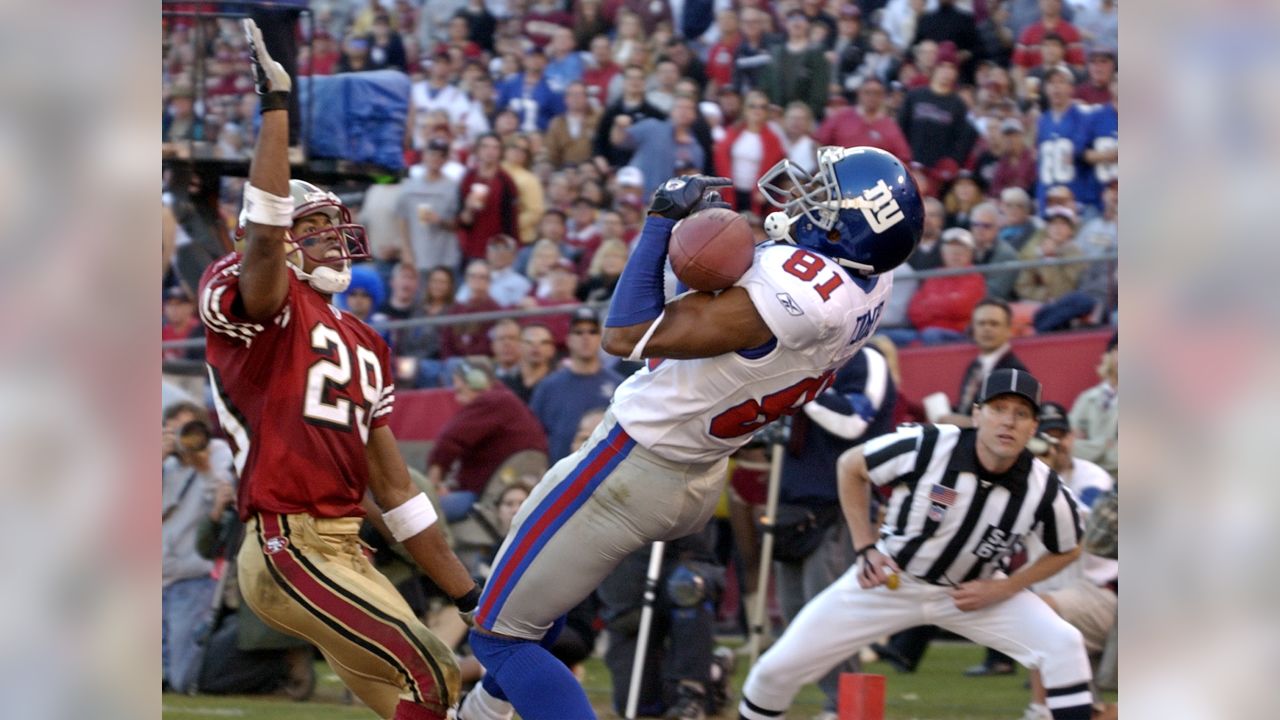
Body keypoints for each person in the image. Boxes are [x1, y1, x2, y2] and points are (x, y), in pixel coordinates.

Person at [460, 147, 924, 720]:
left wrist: (660, 223)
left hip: (632, 465)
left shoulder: (798, 297)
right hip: (695, 472)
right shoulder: (869, 285)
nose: (806, 200)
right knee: (536, 603)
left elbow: (626, 332)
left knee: (499, 637)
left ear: (849, 229)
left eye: (824, 199)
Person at [199, 25, 479, 719]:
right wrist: (276, 109)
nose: (333, 237)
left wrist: (470, 596)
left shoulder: (366, 342)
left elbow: (395, 488)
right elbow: (262, 237)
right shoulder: (257, 292)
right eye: (315, 226)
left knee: (433, 704)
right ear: (284, 240)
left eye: (335, 224)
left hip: (348, 546)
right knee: (434, 672)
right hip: (285, 541)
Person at [739, 369, 1093, 720]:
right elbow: (851, 465)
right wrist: (865, 548)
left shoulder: (1043, 487)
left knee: (1064, 644)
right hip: (891, 581)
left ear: (1033, 428)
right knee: (773, 671)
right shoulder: (929, 445)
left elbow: (1068, 547)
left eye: (1021, 414)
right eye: (998, 408)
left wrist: (1006, 588)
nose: (1009, 422)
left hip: (969, 594)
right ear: (976, 414)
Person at [772, 344, 898, 716]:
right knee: (795, 612)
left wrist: (800, 387)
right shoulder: (797, 358)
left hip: (841, 505)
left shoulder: (866, 359)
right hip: (791, 504)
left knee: (830, 612)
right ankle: (819, 701)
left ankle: (847, 707)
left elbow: (854, 420)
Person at [1019, 402, 1117, 720]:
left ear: (1073, 437)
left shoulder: (1093, 477)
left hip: (1100, 594)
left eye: (1061, 435)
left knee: (1038, 611)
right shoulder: (1020, 481)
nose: (1056, 444)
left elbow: (1086, 532)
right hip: (1057, 593)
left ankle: (1040, 710)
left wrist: (1046, 481)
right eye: (1047, 436)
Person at [162, 406, 233, 694]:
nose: (184, 438)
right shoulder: (164, 464)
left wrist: (203, 468)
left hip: (193, 577)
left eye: (189, 429)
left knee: (184, 679)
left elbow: (220, 503)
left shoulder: (218, 453)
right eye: (174, 429)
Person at [426, 358, 548, 523]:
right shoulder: (504, 399)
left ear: (477, 381)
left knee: (420, 513)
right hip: (491, 493)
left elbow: (448, 441)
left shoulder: (492, 400)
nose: (456, 392)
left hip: (482, 499)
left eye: (459, 385)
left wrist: (433, 485)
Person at [529, 308, 624, 464]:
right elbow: (534, 437)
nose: (585, 337)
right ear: (568, 339)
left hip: (607, 472)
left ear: (601, 337)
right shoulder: (548, 387)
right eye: (578, 332)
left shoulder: (619, 386)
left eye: (592, 332)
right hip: (559, 474)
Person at [906, 227, 988, 345]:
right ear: (943, 253)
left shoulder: (975, 277)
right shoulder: (934, 276)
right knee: (886, 337)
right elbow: (914, 311)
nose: (956, 255)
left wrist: (929, 303)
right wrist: (946, 302)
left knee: (931, 334)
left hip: (959, 335)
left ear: (970, 254)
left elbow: (959, 307)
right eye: (951, 251)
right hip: (923, 332)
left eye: (961, 251)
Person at [814, 76, 912, 164]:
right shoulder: (841, 117)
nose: (872, 97)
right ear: (859, 93)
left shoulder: (890, 126)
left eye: (876, 93)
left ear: (882, 96)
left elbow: (903, 158)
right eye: (867, 92)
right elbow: (819, 142)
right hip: (841, 176)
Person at [1069, 335, 1118, 478]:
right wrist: (1106, 445)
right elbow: (1068, 447)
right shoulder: (1086, 398)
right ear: (1107, 356)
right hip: (1085, 480)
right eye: (1118, 349)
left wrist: (1088, 447)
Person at [501, 323, 558, 405]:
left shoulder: (560, 386)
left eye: (543, 342)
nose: (536, 347)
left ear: (552, 350)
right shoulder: (504, 386)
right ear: (518, 348)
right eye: (529, 342)